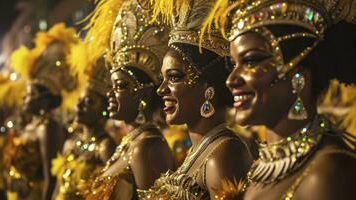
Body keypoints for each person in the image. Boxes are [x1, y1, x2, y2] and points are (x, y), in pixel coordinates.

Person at [203, 0, 356, 199]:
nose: (231, 80)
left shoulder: (330, 173)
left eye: (250, 61)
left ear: (299, 75)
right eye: (233, 64)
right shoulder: (259, 168)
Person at [138, 0, 253, 199]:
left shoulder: (224, 153)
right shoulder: (199, 153)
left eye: (174, 77)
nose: (161, 89)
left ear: (208, 87)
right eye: (162, 78)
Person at [77, 0, 174, 199]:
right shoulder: (130, 143)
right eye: (111, 87)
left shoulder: (146, 146)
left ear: (145, 94)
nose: (109, 94)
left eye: (120, 86)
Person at [4, 23, 82, 200]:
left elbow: (51, 178)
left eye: (29, 94)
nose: (24, 99)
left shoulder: (49, 127)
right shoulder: (34, 124)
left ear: (44, 99)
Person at [51, 43, 116, 199]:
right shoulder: (70, 143)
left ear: (105, 110)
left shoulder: (105, 147)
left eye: (89, 101)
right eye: (80, 100)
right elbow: (58, 188)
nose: (79, 105)